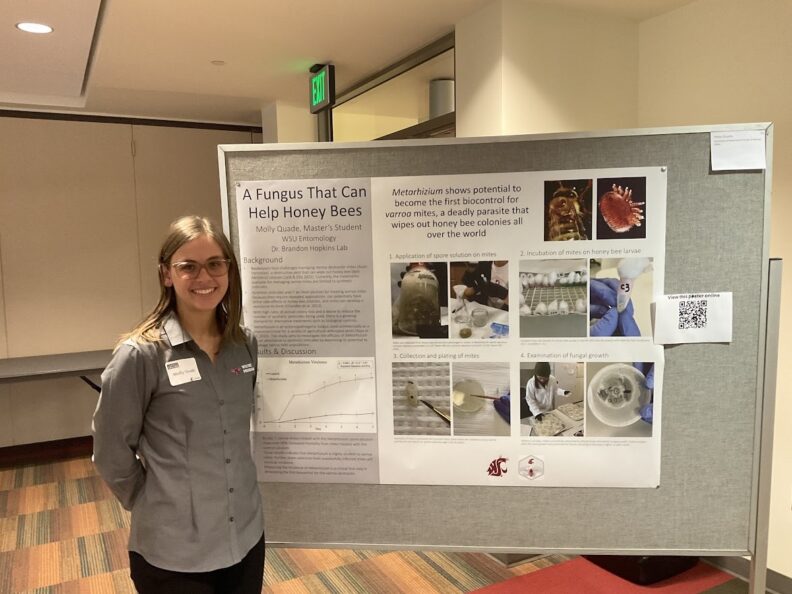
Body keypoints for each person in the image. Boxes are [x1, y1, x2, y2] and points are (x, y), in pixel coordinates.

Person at [92, 216, 264, 593]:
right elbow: (110, 450)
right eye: (188, 266)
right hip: (174, 553)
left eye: (216, 264)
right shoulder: (141, 355)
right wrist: (149, 498)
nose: (205, 277)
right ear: (167, 275)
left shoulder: (244, 345)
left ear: (229, 271)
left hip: (245, 537)